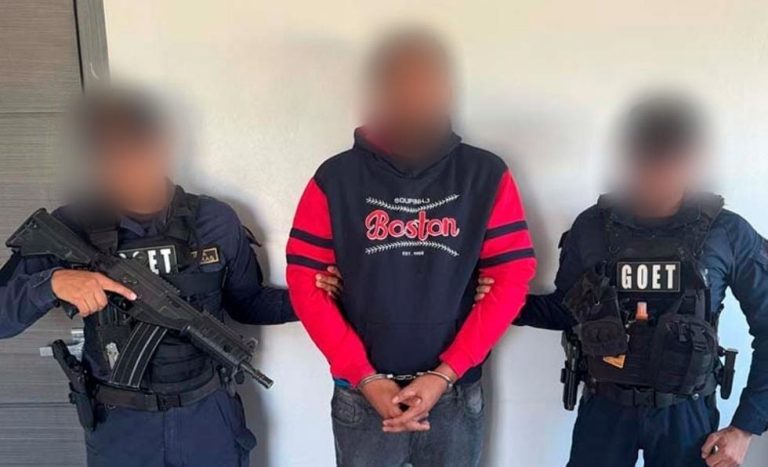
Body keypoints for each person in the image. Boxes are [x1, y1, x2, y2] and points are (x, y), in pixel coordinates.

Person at [0, 88, 341, 467]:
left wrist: (310, 296)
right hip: (122, 428)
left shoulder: (214, 220)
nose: (124, 166)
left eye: (134, 151)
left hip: (208, 419)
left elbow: (247, 303)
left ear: (161, 147)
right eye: (111, 155)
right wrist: (51, 284)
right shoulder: (72, 226)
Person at [285, 29, 537, 467]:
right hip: (361, 395)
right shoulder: (335, 178)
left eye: (426, 84)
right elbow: (306, 283)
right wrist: (363, 375)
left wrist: (446, 372)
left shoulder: (486, 174)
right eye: (401, 85)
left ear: (447, 90)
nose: (414, 98)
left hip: (454, 393)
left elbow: (512, 278)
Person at [477, 94, 767, 467]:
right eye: (647, 160)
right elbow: (567, 310)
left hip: (685, 414)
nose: (656, 174)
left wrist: (745, 428)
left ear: (691, 161)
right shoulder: (592, 227)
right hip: (606, 408)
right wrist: (508, 302)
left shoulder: (727, 233)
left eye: (668, 161)